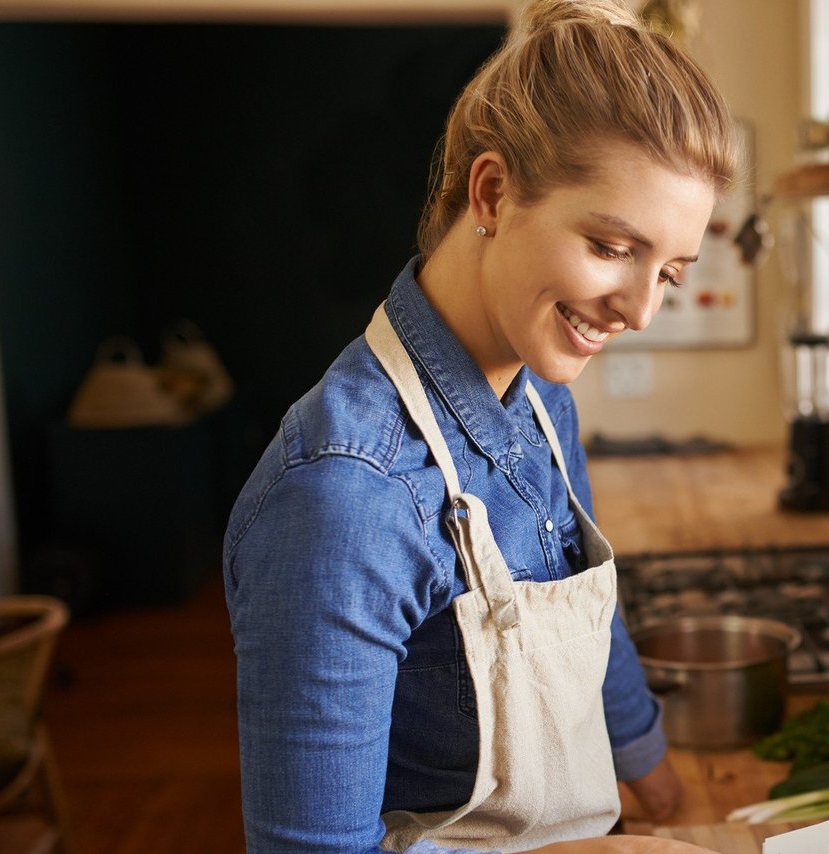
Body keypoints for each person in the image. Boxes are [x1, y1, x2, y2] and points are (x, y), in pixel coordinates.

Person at [222, 1, 737, 851]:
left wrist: (656, 778)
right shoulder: (346, 497)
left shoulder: (540, 393)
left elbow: (588, 621)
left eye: (670, 273)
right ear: (493, 192)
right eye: (612, 248)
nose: (641, 310)